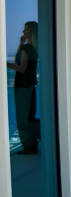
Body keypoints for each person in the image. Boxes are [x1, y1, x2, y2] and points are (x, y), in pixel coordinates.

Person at [7, 21, 40, 154]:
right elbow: (18, 60)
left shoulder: (27, 48)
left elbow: (20, 67)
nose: (23, 32)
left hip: (23, 87)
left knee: (23, 119)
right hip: (30, 86)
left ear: (31, 32)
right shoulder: (33, 48)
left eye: (25, 30)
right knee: (29, 117)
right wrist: (21, 43)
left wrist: (5, 65)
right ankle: (34, 143)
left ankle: (30, 146)